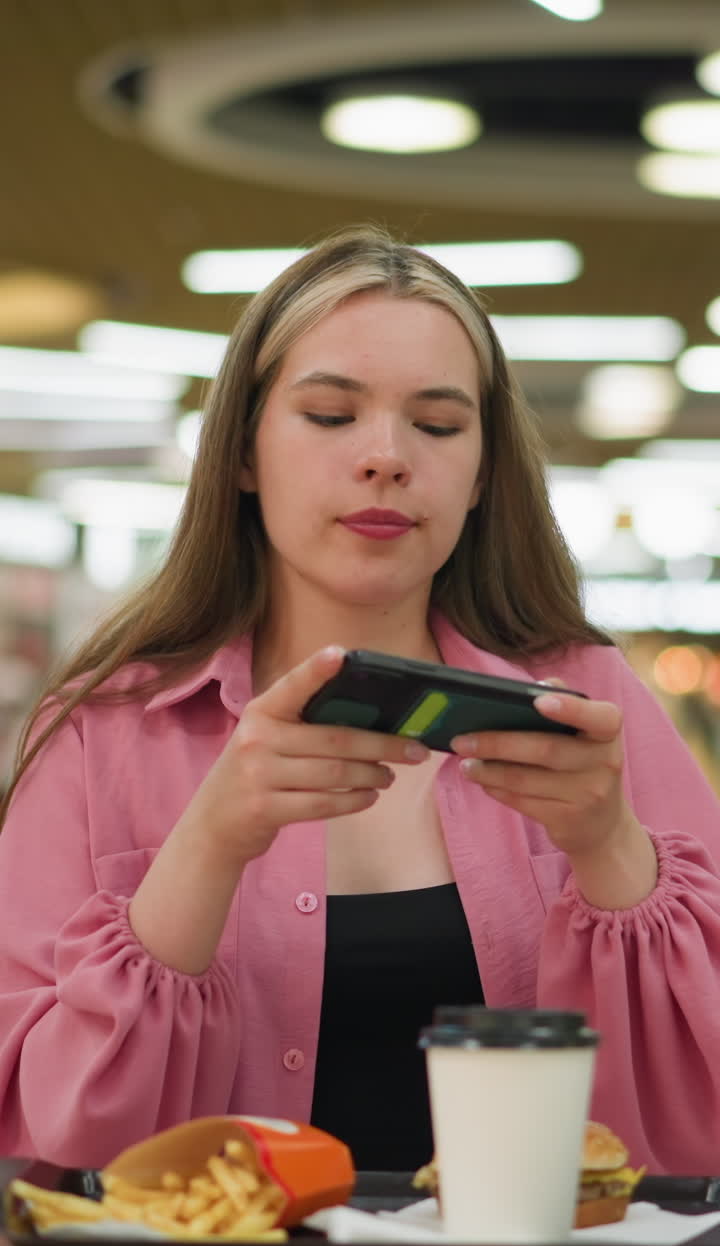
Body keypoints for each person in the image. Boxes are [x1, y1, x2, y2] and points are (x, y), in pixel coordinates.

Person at [1, 225, 720, 1177]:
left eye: (438, 425)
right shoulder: (103, 731)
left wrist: (610, 849)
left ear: (482, 474)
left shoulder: (588, 703)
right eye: (331, 415)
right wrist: (208, 844)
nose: (386, 457)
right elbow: (47, 1130)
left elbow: (704, 1107)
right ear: (243, 451)